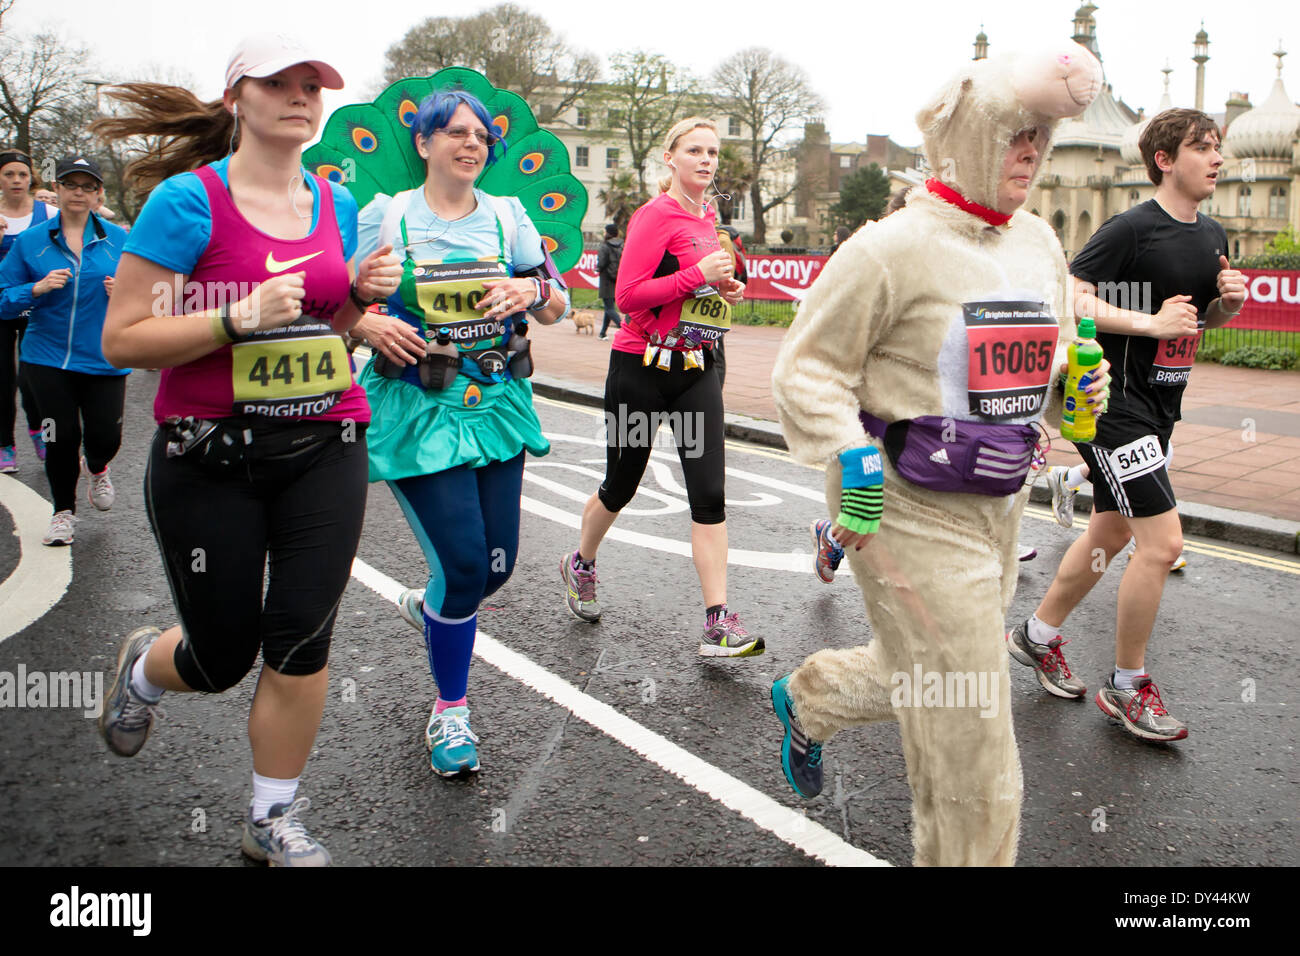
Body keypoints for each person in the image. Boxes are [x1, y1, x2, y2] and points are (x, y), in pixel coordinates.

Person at [769, 42, 1110, 866]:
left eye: (1041, 137)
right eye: (1014, 133)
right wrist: (847, 458)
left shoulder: (1038, 245)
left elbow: (1049, 359)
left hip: (1000, 506)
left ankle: (808, 696)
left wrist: (1075, 390)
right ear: (967, 137)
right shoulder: (888, 248)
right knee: (973, 731)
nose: (1029, 152)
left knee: (935, 675)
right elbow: (805, 370)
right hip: (902, 507)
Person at [93, 34, 401, 866]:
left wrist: (357, 302)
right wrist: (236, 318)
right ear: (238, 99)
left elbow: (324, 326)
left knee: (302, 637)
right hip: (209, 457)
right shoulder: (187, 205)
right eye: (280, 83)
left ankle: (270, 816)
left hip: (327, 441)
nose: (302, 96)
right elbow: (124, 338)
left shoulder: (335, 203)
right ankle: (144, 671)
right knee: (223, 656)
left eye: (314, 85)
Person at [346, 89, 569, 777]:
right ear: (423, 143)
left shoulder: (508, 217)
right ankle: (451, 711)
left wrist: (532, 293)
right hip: (419, 407)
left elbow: (558, 302)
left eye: (480, 136)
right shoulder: (386, 216)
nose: (470, 144)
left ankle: (429, 603)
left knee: (494, 568)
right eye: (453, 133)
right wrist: (365, 319)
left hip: (496, 402)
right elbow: (339, 299)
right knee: (467, 565)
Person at [1010, 108, 1242, 741]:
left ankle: (1036, 636)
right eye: (1203, 147)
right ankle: (1127, 684)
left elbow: (1195, 323)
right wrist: (1147, 323)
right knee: (1163, 546)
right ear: (1165, 160)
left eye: (1219, 146)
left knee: (1108, 536)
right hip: (1111, 405)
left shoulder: (1214, 232)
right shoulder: (1131, 229)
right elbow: (1070, 296)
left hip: (1160, 407)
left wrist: (1226, 306)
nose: (1217, 158)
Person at [560, 116, 757, 657]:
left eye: (713, 152)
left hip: (696, 367)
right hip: (640, 369)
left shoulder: (708, 217)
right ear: (669, 158)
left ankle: (717, 620)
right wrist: (697, 276)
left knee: (710, 494)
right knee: (621, 484)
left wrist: (726, 287)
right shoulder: (655, 215)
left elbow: (693, 293)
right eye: (694, 150)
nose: (706, 160)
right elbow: (628, 296)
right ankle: (581, 562)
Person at [0, 155, 127, 545]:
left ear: (97, 194)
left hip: (104, 356)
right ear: (56, 189)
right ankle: (62, 513)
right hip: (46, 358)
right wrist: (34, 290)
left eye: (87, 186)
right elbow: (3, 299)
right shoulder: (31, 241)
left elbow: (152, 295)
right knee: (59, 437)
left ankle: (98, 465)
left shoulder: (120, 240)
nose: (78, 192)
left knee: (106, 436)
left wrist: (122, 293)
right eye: (71, 184)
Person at [0, 149, 55, 474]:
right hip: (2, 306)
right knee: (2, 379)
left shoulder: (47, 212)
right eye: (9, 174)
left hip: (37, 304)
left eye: (22, 174)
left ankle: (40, 431)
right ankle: (5, 444)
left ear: (30, 176)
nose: (17, 180)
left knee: (33, 377)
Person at [596, 222, 623, 339]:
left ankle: (623, 328)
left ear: (608, 233)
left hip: (606, 279)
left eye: (605, 231)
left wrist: (597, 268)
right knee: (609, 306)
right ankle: (603, 333)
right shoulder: (622, 245)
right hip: (618, 279)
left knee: (609, 308)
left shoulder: (605, 246)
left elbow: (601, 263)